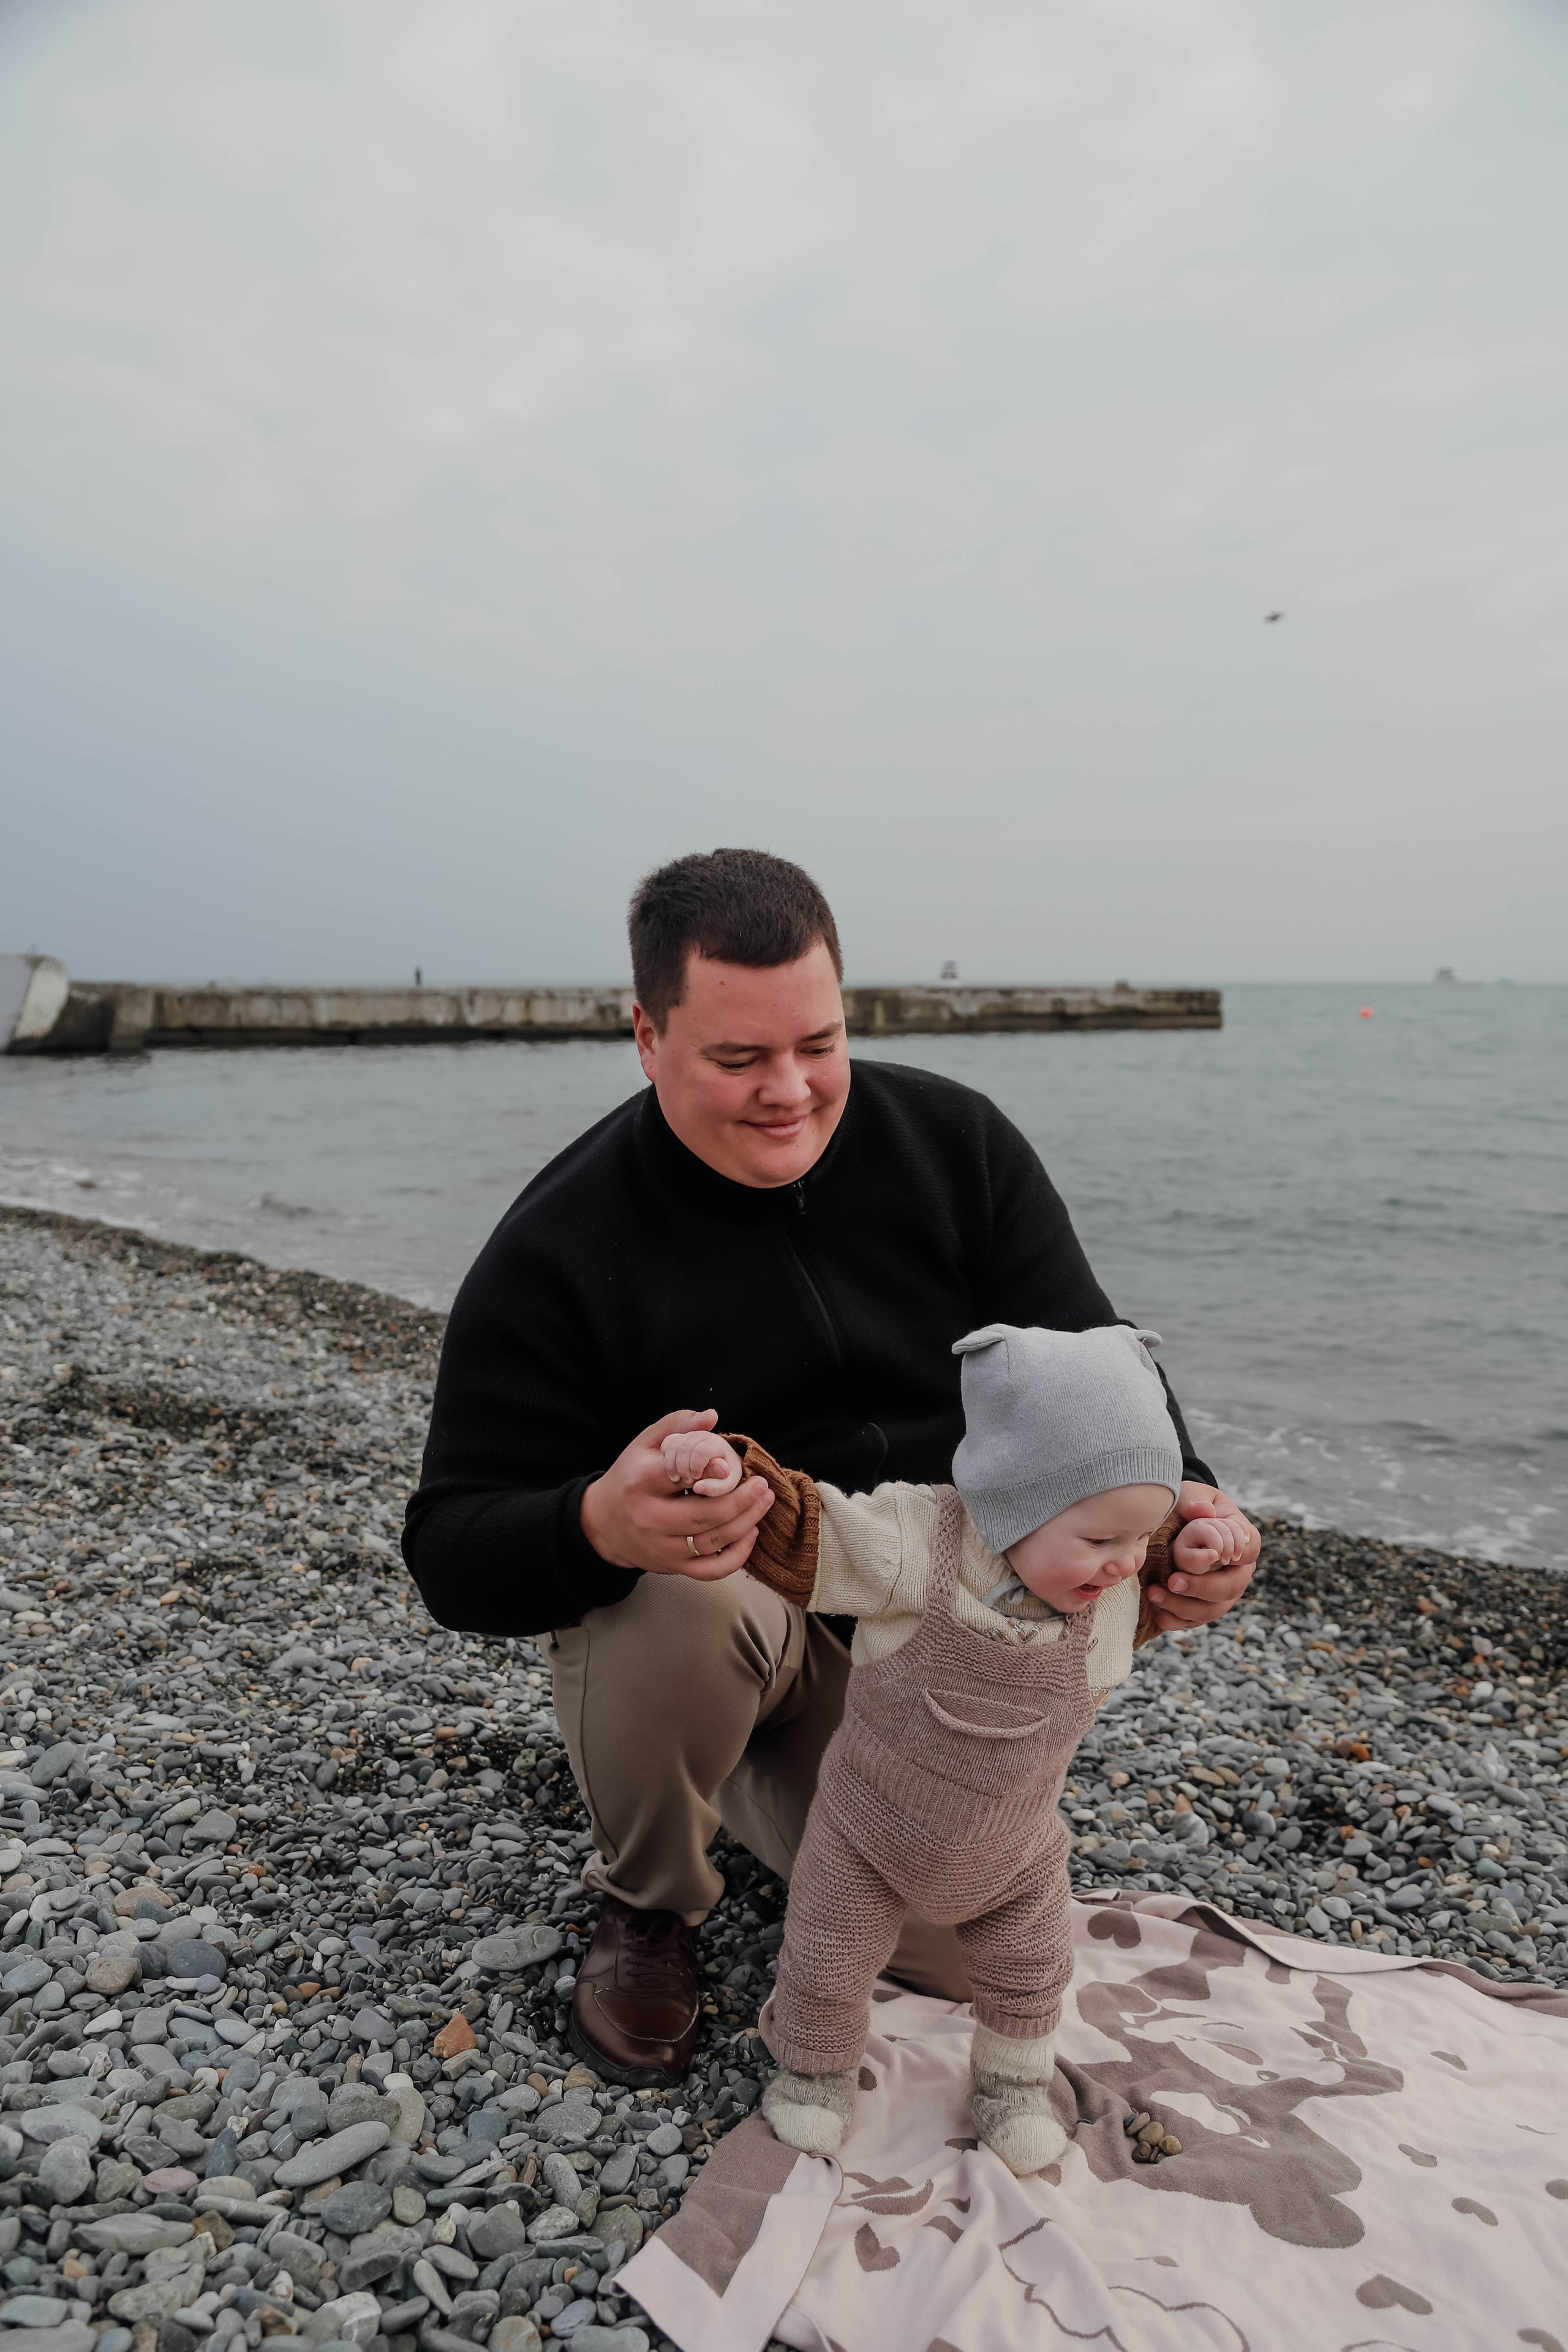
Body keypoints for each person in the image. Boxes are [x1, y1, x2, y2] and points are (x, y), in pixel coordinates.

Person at [404, 848, 1261, 2087]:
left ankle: (761, 1799)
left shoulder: (954, 1145)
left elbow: (1098, 1380)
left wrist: (1187, 1512)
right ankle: (649, 1899)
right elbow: (449, 1551)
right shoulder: (559, 1251)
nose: (789, 1093)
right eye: (737, 1058)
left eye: (817, 1043)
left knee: (960, 1964)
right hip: (737, 1615)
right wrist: (597, 1521)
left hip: (926, 1658)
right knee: (689, 1579)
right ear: (645, 1037)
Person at [652, 1324, 1254, 2174]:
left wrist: (1206, 1543)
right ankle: (815, 2077)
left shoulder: (1118, 1589)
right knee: (825, 1960)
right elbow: (803, 1530)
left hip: (1014, 1853)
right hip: (867, 1830)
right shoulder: (914, 1540)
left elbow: (1172, 1569)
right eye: (1100, 1539)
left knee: (1031, 1973)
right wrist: (728, 1475)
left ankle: (1011, 2089)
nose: (1125, 1564)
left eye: (1141, 1536)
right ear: (1013, 1499)